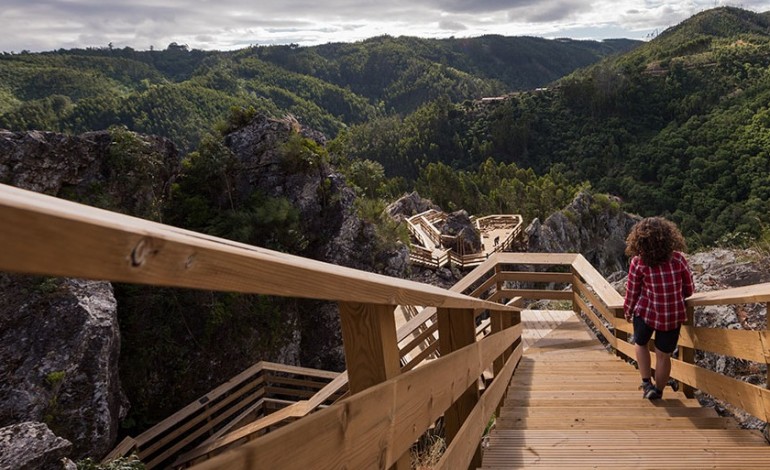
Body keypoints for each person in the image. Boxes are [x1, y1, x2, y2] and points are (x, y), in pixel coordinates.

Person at [623, 217, 694, 399]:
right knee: (664, 355)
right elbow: (689, 288)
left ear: (639, 240)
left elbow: (632, 291)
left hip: (646, 312)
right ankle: (659, 390)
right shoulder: (678, 259)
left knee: (640, 344)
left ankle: (646, 383)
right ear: (669, 237)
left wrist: (628, 310)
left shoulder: (638, 262)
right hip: (672, 314)